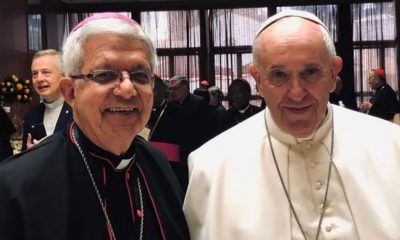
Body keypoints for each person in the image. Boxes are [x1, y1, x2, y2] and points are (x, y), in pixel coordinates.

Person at [183, 10, 400, 240]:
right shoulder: (210, 167)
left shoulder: (393, 146)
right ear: (258, 80)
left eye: (311, 72)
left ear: (333, 72)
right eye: (278, 75)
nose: (296, 93)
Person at [0, 13, 189, 240]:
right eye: (105, 75)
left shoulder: (157, 162)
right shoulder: (16, 184)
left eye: (140, 75)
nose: (128, 89)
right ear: (70, 91)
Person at [21, 49, 72, 150]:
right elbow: (23, 155)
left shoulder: (80, 110)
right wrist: (30, 153)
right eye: (35, 74)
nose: (39, 79)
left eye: (46, 72)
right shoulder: (31, 115)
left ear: (64, 75)